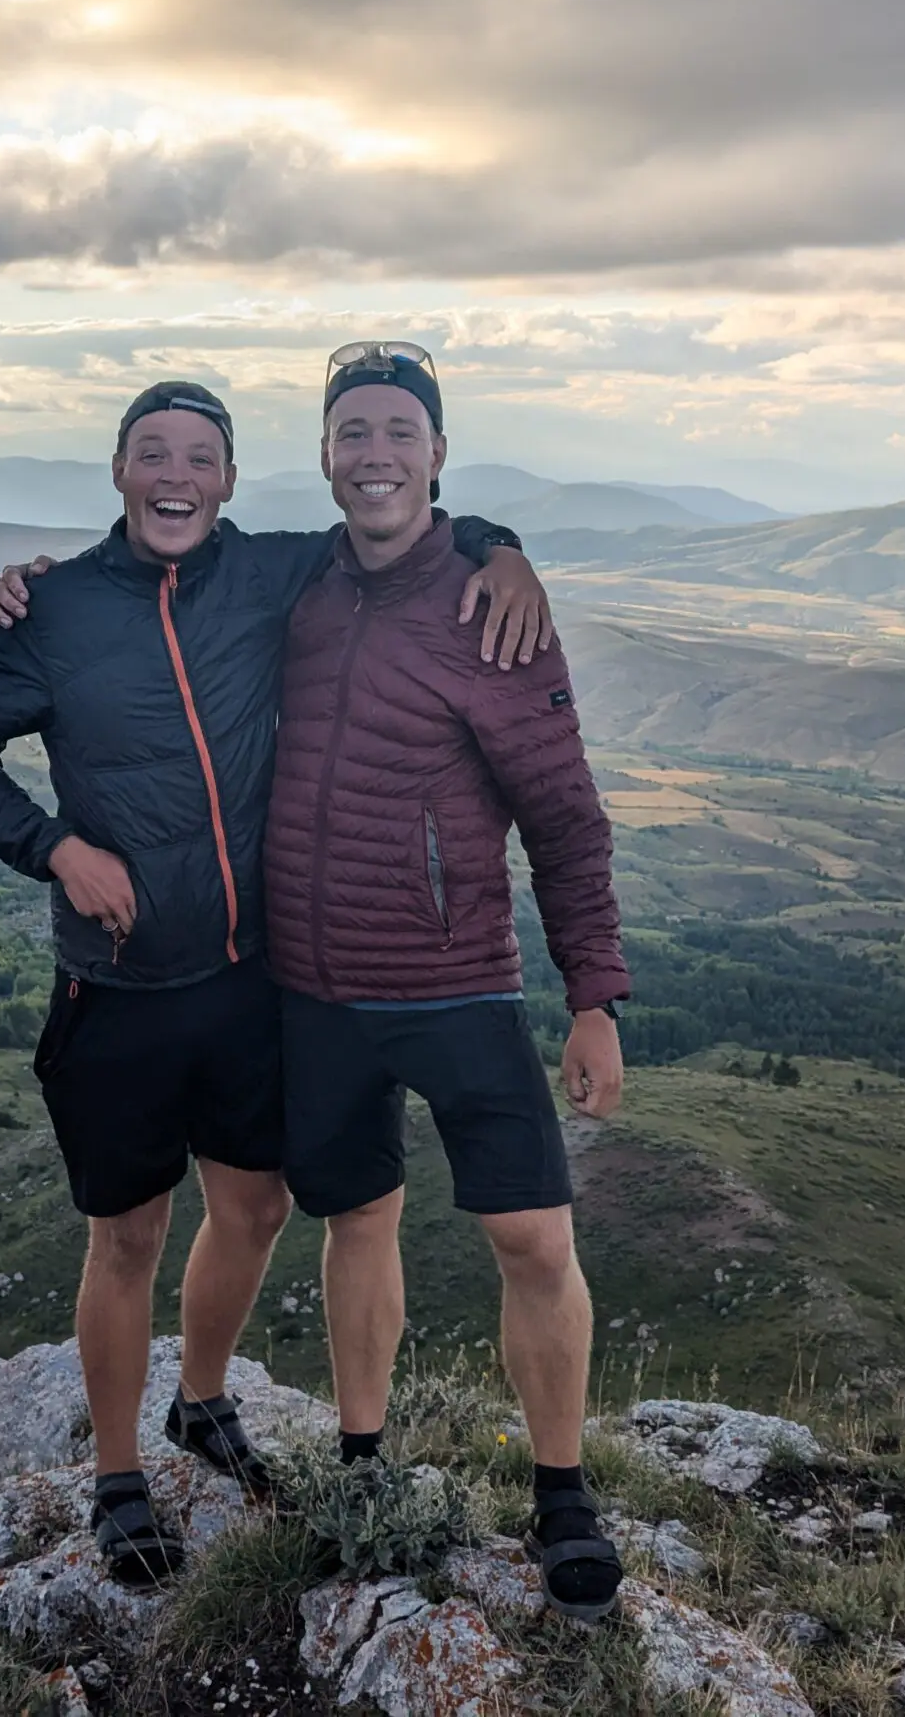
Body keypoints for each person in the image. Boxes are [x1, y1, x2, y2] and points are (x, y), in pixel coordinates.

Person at [0, 379, 549, 1585]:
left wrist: (505, 549)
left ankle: (200, 1405)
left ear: (227, 481)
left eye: (198, 457)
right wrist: (55, 846)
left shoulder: (269, 575)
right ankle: (117, 1476)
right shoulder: (54, 611)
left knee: (254, 1211)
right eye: (151, 453)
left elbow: (395, 523)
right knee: (127, 1237)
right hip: (117, 986)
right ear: (117, 474)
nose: (175, 475)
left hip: (251, 980)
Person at [264, 340, 632, 1623]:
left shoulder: (492, 608)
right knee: (353, 1218)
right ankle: (363, 1464)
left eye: (397, 433)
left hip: (456, 980)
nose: (373, 454)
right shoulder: (296, 585)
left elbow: (566, 821)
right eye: (350, 432)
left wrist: (591, 998)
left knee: (532, 1235)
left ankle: (562, 1493)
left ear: (433, 455)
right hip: (313, 988)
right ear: (323, 452)